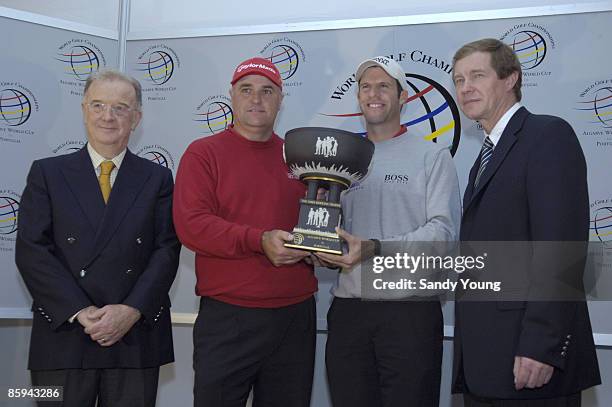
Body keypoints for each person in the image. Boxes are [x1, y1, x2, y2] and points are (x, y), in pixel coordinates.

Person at [15, 69, 180, 407]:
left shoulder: (158, 178)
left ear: (136, 118)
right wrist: (80, 310)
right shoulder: (47, 173)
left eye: (121, 108)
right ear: (84, 110)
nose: (108, 116)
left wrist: (130, 310)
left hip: (134, 337)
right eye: (99, 105)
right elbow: (32, 250)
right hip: (65, 331)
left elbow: (167, 249)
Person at [451, 38, 601, 406]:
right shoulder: (485, 156)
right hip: (486, 362)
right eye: (458, 79)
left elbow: (560, 250)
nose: (465, 87)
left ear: (510, 79)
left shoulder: (547, 136)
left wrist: (541, 345)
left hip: (529, 360)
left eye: (477, 75)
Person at [317, 56, 461, 407]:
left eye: (384, 86)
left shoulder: (432, 157)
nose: (373, 93)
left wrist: (376, 247)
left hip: (409, 312)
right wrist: (321, 233)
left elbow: (443, 237)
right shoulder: (341, 160)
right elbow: (337, 241)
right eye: (366, 86)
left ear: (403, 97)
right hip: (349, 312)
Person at [173, 57, 317, 407]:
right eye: (246, 90)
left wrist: (321, 247)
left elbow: (316, 224)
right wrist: (258, 240)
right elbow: (192, 226)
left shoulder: (301, 159)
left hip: (294, 316)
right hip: (228, 317)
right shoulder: (203, 153)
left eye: (267, 91)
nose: (257, 99)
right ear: (231, 97)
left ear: (281, 100)